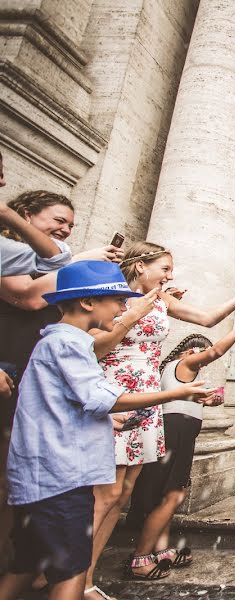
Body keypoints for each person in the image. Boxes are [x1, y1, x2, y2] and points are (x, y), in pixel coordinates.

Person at [0, 261, 214, 600]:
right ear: (88, 303)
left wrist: (105, 419)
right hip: (61, 479)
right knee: (70, 569)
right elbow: (101, 399)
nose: (122, 309)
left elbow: (67, 404)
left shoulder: (58, 343)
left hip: (43, 478)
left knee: (27, 564)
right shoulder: (67, 345)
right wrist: (177, 392)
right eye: (117, 301)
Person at [83, 242, 235, 598]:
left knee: (123, 495)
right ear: (139, 266)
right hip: (118, 388)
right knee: (103, 495)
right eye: (164, 268)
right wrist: (134, 313)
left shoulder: (161, 300)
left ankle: (86, 576)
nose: (170, 275)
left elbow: (207, 319)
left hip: (148, 392)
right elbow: (98, 346)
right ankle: (76, 578)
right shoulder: (113, 298)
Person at [0, 191, 124, 577]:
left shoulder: (42, 260)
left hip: (34, 375)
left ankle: (24, 562)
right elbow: (28, 298)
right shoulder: (10, 255)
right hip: (8, 364)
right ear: (25, 215)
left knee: (16, 486)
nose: (65, 230)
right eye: (58, 220)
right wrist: (84, 263)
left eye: (70, 225)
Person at [125, 310, 235, 574]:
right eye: (200, 353)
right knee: (174, 494)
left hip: (175, 432)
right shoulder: (185, 365)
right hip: (176, 434)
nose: (203, 360)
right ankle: (140, 557)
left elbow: (180, 402)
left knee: (167, 495)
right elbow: (216, 351)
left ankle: (161, 550)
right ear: (188, 352)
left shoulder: (176, 372)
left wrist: (204, 401)